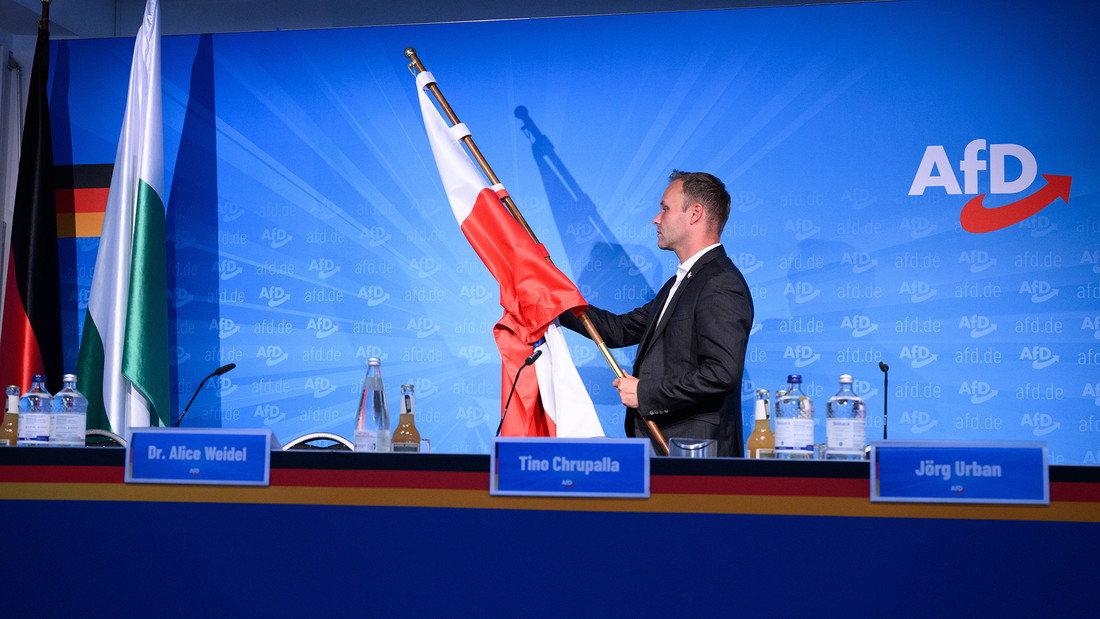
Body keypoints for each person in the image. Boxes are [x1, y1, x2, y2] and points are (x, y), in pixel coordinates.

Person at [561, 170, 754, 457]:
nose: (656, 218)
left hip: (696, 455)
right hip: (666, 452)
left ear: (694, 214)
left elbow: (721, 373)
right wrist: (555, 302)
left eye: (664, 209)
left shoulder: (720, 282)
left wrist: (645, 393)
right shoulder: (680, 283)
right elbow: (619, 329)